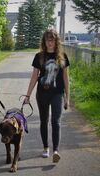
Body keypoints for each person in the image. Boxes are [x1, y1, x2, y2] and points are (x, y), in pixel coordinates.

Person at [24, 29, 70, 163]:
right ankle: (45, 148)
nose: (50, 42)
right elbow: (34, 77)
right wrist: (27, 95)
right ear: (44, 42)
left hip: (57, 94)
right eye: (47, 40)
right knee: (44, 121)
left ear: (56, 41)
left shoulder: (63, 57)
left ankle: (55, 150)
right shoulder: (39, 57)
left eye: (52, 40)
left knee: (56, 121)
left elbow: (66, 79)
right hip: (42, 94)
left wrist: (68, 98)